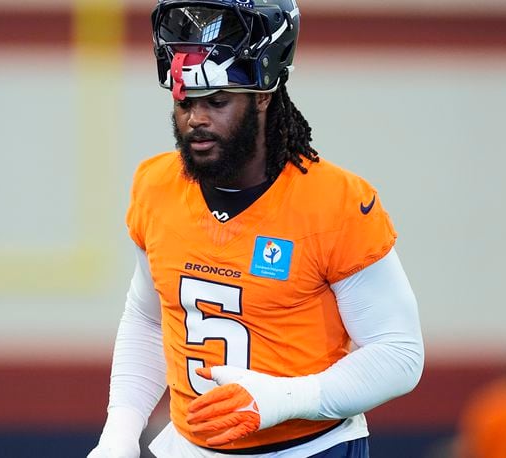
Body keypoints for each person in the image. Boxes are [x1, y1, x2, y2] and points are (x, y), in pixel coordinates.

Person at [88, 0, 424, 456]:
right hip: (188, 447)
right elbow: (148, 320)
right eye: (186, 101)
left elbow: (399, 353)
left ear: (263, 95)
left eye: (218, 101)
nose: (196, 119)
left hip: (308, 449)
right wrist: (120, 432)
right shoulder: (156, 185)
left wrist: (288, 400)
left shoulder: (334, 202)